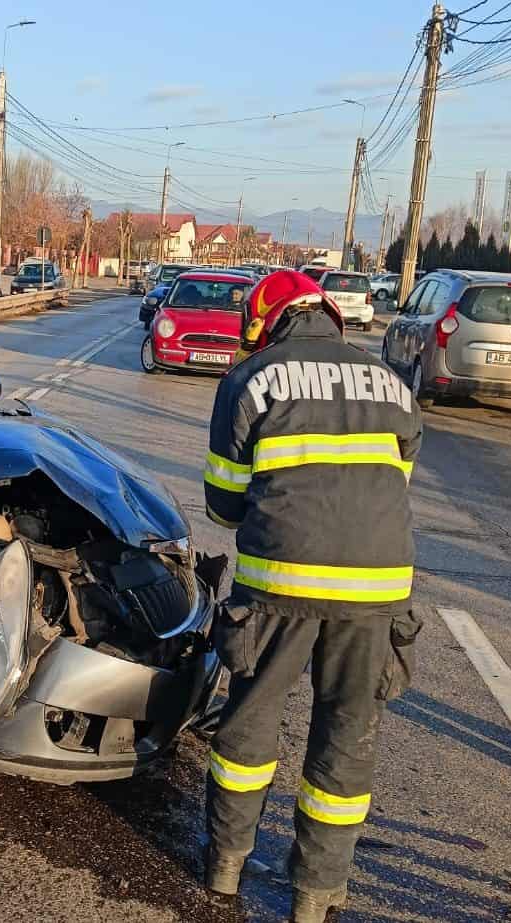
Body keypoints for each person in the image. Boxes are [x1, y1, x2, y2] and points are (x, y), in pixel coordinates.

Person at [202, 269, 422, 923]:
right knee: (348, 734)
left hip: (280, 583)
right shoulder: (391, 384)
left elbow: (223, 503)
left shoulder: (249, 380)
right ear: (328, 315)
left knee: (251, 720)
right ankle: (316, 892)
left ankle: (225, 864)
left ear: (269, 321)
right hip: (376, 590)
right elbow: (395, 481)